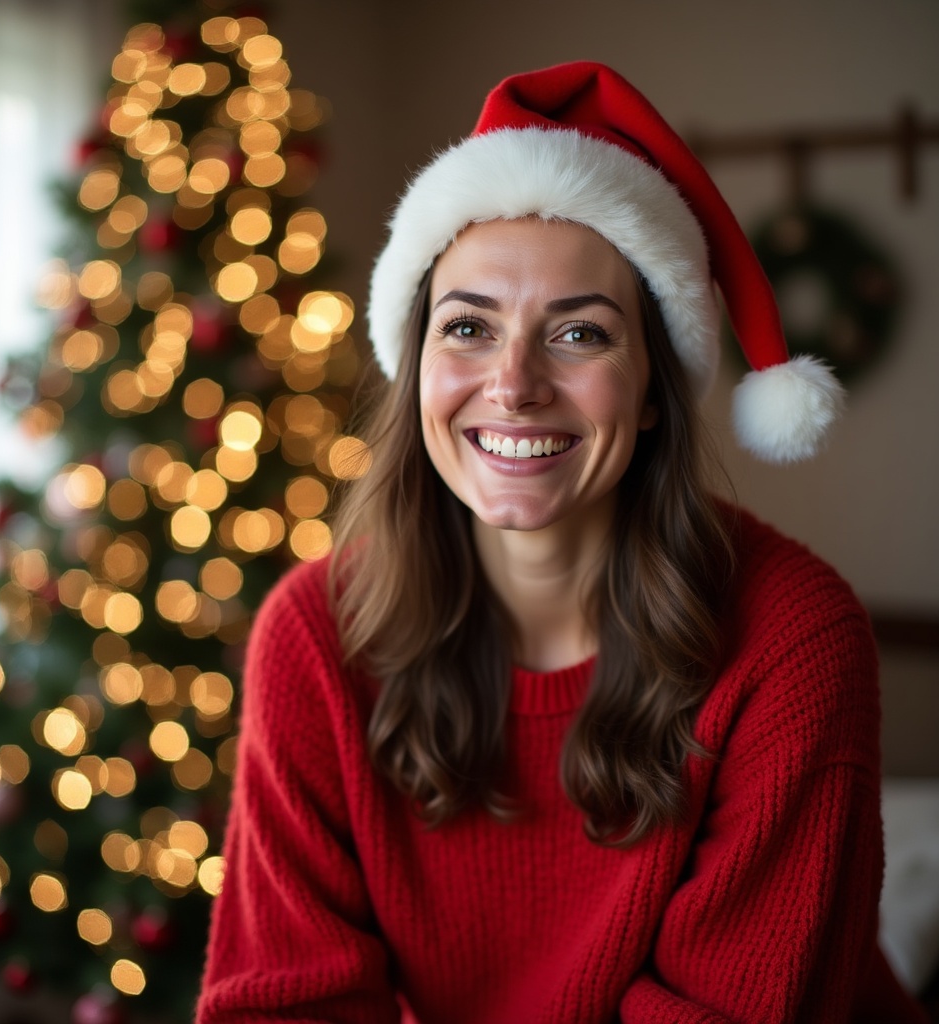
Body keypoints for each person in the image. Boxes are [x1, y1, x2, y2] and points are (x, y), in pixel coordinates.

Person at [196, 62, 927, 1023]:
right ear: (416, 367)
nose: (513, 384)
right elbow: (283, 1005)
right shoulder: (316, 634)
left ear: (655, 389)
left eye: (580, 335)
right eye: (467, 327)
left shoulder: (793, 640)